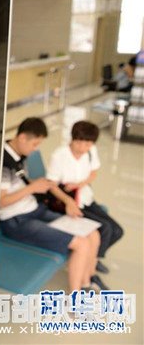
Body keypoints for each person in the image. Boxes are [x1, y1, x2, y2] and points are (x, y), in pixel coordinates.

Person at [0, 117, 102, 292]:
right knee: (82, 243)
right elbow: (1, 202)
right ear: (22, 138)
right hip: (17, 220)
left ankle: (86, 284)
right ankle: (76, 297)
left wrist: (34, 184)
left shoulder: (17, 153)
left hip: (34, 209)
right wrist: (32, 188)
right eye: (35, 144)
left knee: (93, 234)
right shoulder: (3, 162)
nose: (35, 149)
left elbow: (17, 185)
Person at [47, 121, 123, 286]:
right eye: (79, 142)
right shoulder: (59, 155)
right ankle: (91, 271)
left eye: (87, 144)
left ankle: (92, 259)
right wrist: (68, 199)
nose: (82, 148)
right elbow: (51, 185)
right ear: (72, 138)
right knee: (105, 228)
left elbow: (93, 172)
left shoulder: (91, 151)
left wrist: (79, 184)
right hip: (69, 203)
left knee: (117, 231)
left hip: (86, 198)